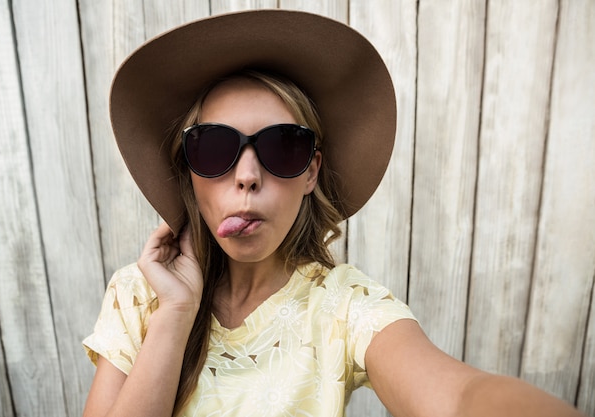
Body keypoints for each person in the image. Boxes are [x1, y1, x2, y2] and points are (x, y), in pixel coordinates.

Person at [82, 9, 585, 417]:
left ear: (310, 173)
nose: (248, 175)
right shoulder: (139, 295)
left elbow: (455, 397)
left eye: (282, 147)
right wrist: (175, 312)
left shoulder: (345, 306)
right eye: (215, 148)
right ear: (190, 169)